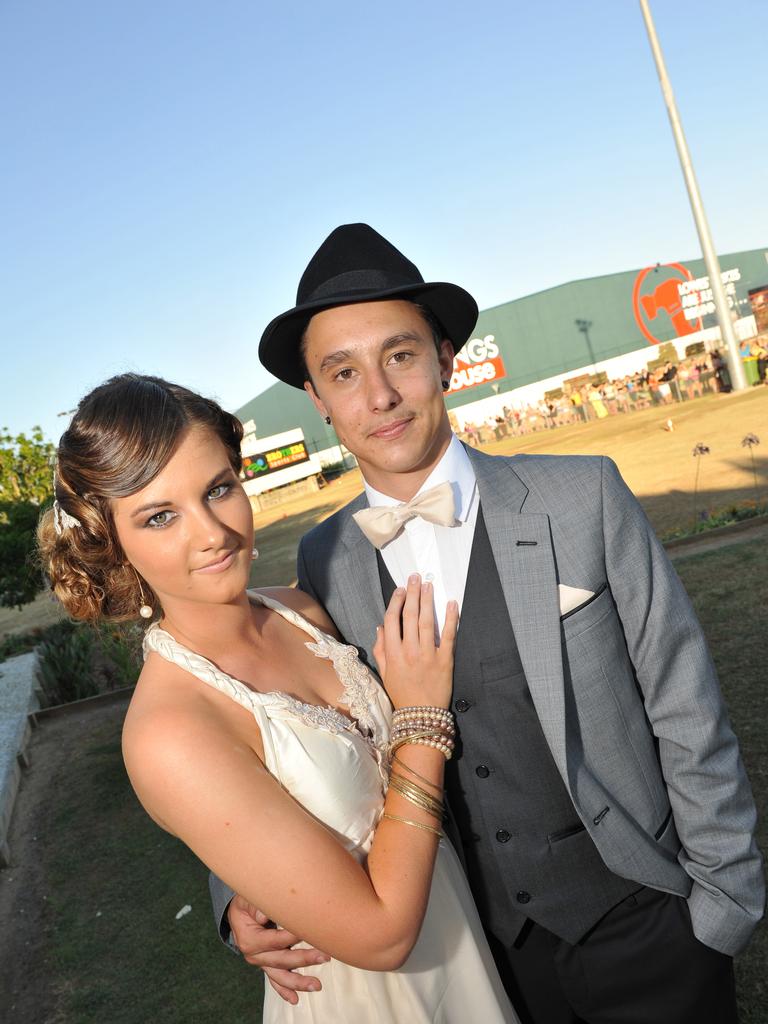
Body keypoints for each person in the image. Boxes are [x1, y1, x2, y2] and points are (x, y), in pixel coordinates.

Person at [214, 223, 764, 1024]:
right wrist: (235, 890)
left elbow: (688, 704)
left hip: (648, 925)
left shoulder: (585, 499)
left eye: (400, 355)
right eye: (344, 372)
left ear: (444, 359)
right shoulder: (324, 560)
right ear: (320, 401)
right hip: (477, 955)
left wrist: (718, 912)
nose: (379, 394)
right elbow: (264, 726)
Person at [37, 374, 517, 1024]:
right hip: (373, 996)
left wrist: (249, 892)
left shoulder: (298, 610)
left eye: (218, 489)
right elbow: (380, 935)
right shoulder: (167, 733)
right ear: (111, 542)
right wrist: (420, 720)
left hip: (462, 934)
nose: (213, 533)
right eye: (159, 516)